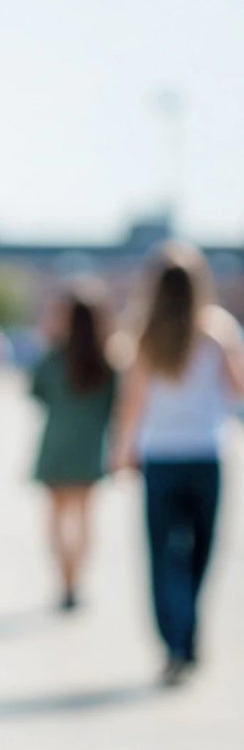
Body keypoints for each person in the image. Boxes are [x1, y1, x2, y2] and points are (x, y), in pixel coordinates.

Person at [110, 241, 244, 685]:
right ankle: (187, 630)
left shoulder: (143, 334)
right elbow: (237, 390)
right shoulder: (218, 331)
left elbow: (131, 403)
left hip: (161, 456)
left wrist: (121, 451)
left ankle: (175, 638)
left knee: (163, 554)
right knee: (202, 550)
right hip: (206, 453)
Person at [28, 279, 118, 610]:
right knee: (83, 518)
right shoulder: (109, 363)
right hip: (90, 451)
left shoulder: (53, 359)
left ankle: (63, 580)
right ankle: (75, 580)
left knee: (56, 518)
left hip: (56, 448)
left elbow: (36, 393)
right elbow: (116, 408)